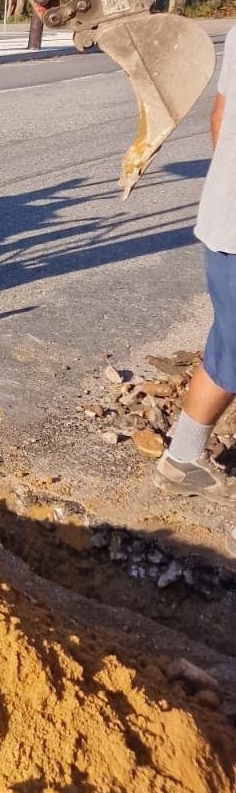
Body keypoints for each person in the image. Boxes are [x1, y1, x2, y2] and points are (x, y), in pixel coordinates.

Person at [156, 26, 236, 496]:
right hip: (231, 228)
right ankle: (181, 460)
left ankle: (182, 460)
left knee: (229, 345)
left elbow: (220, 116)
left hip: (227, 220)